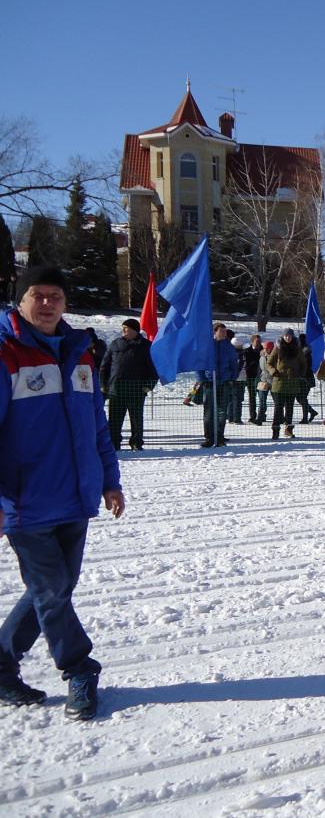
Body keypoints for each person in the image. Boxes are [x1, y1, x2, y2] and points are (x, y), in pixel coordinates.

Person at [0, 265, 125, 720]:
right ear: (21, 300)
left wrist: (110, 480)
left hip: (77, 495)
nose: (48, 303)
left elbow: (97, 426)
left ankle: (1, 663)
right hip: (26, 501)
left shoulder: (80, 353)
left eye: (56, 296)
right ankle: (78, 669)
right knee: (52, 590)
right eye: (39, 295)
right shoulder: (6, 353)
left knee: (53, 590)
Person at [99, 318, 158, 451]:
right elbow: (104, 366)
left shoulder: (146, 346)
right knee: (114, 419)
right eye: (123, 328)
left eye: (126, 328)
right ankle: (114, 443)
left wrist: (148, 385)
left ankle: (136, 442)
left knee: (136, 419)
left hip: (136, 389)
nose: (123, 330)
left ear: (135, 330)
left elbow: (153, 368)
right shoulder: (115, 344)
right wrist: (103, 384)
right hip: (116, 388)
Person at [200, 323, 239, 448]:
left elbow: (234, 364)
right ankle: (209, 438)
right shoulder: (207, 346)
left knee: (222, 412)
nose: (223, 333)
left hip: (224, 382)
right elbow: (199, 364)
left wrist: (232, 378)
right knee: (209, 412)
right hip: (210, 383)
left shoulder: (228, 347)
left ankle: (219, 436)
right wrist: (202, 379)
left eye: (225, 331)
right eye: (221, 331)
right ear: (215, 332)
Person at [268, 329, 307, 440]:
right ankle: (275, 430)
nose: (287, 338)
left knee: (289, 408)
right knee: (278, 409)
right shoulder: (278, 348)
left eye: (289, 336)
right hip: (279, 382)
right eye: (285, 336)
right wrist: (273, 371)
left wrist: (301, 373)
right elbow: (269, 363)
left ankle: (288, 429)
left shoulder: (297, 348)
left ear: (292, 337)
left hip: (293, 383)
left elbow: (303, 363)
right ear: (283, 337)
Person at [295, 333, 319, 424]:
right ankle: (312, 412)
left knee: (302, 398)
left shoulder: (306, 354)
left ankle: (305, 417)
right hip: (302, 378)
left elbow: (306, 366)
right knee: (300, 398)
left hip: (306, 378)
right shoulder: (300, 352)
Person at [227, 335, 248, 425]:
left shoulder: (229, 353)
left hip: (231, 378)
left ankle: (230, 417)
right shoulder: (241, 355)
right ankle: (237, 418)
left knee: (231, 398)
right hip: (239, 379)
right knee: (238, 399)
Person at [244, 334, 264, 424]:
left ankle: (262, 414)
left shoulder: (263, 350)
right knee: (252, 397)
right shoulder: (247, 351)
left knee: (262, 397)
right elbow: (246, 364)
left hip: (261, 378)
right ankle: (252, 416)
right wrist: (255, 363)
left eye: (260, 341)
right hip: (251, 377)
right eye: (257, 341)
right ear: (252, 342)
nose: (259, 343)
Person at [255, 341, 274, 427]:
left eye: (267, 348)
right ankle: (259, 418)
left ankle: (279, 417)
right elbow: (259, 369)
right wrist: (258, 379)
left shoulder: (275, 356)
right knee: (262, 400)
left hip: (273, 381)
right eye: (265, 348)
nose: (266, 350)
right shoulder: (261, 356)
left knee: (277, 402)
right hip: (263, 380)